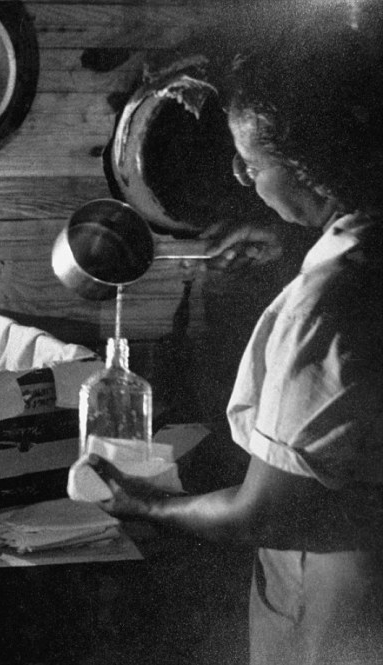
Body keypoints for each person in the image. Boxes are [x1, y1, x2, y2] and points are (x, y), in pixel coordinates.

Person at [90, 6, 383, 665]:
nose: (241, 178)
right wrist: (288, 242)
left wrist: (145, 502)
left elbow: (264, 513)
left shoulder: (328, 303)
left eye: (251, 163)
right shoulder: (357, 254)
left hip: (341, 603)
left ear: (306, 164)